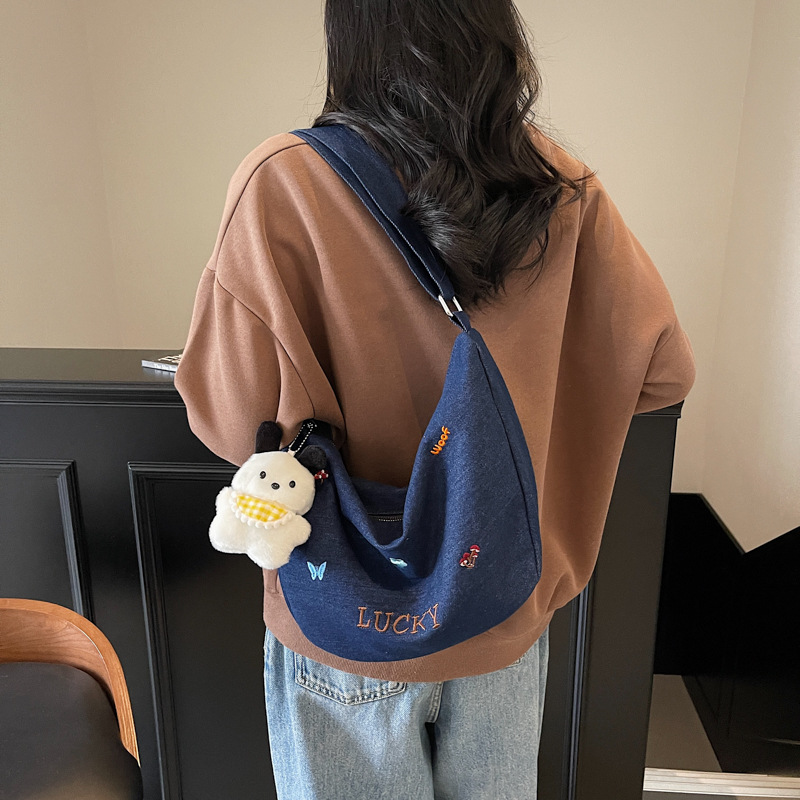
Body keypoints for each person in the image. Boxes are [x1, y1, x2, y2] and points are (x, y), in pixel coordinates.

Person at [174, 1, 697, 798]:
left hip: (347, 613)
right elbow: (664, 373)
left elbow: (227, 418)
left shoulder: (284, 182)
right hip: (501, 606)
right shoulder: (558, 184)